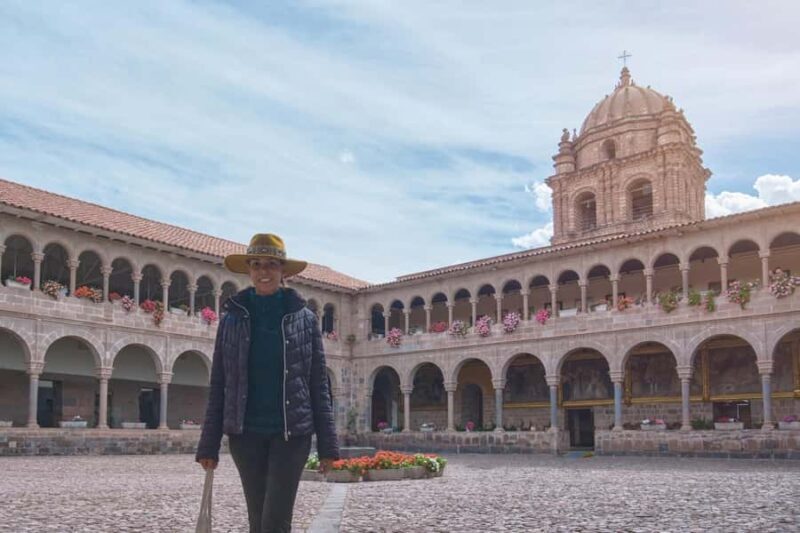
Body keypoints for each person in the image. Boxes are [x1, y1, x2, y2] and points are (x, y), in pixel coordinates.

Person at [195, 233, 339, 533]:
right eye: (257, 264)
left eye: (272, 264)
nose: (264, 271)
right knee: (257, 519)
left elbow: (317, 384)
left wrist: (328, 446)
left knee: (275, 520)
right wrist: (208, 445)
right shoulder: (231, 320)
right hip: (245, 435)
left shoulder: (305, 319)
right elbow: (220, 382)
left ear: (283, 271)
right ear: (248, 270)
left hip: (292, 434)